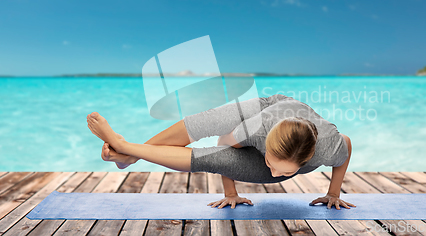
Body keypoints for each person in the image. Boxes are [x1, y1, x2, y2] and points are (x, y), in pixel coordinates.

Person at [87, 94, 355, 210]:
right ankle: (130, 153)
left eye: (284, 170)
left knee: (218, 162)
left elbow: (346, 145)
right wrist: (231, 193)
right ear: (265, 145)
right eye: (272, 162)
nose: (273, 171)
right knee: (209, 123)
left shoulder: (328, 148)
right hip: (267, 108)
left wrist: (333, 193)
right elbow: (222, 141)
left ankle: (129, 150)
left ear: (309, 160)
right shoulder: (253, 131)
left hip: (293, 127)